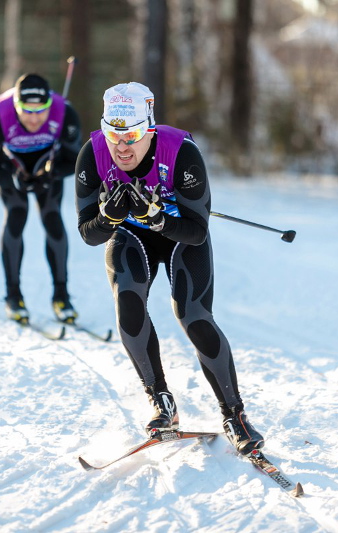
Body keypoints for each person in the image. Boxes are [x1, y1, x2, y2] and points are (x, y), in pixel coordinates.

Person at [74, 82, 264, 455]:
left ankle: (234, 414)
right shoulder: (93, 153)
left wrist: (156, 216)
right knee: (128, 304)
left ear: (150, 129)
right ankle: (160, 400)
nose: (121, 146)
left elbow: (197, 232)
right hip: (131, 236)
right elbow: (87, 234)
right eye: (114, 134)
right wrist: (109, 218)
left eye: (131, 135)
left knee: (193, 315)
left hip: (180, 237)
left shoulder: (181, 152)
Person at [0, 73, 81, 325]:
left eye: (41, 111)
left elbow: (75, 162)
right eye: (27, 111)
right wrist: (12, 176)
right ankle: (13, 296)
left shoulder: (65, 113)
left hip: (48, 167)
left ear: (49, 105)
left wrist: (51, 174)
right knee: (17, 214)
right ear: (16, 106)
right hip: (11, 167)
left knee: (52, 219)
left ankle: (61, 296)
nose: (34, 118)